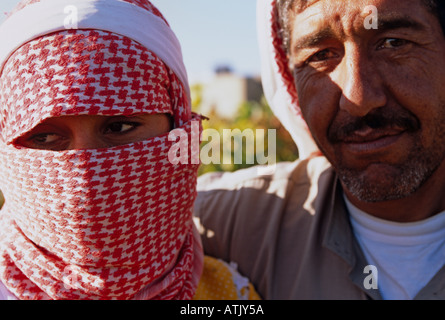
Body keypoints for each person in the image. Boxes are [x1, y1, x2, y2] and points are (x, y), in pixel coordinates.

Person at [0, 0, 259, 300]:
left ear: (180, 131)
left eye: (119, 128)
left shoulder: (229, 295)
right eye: (44, 137)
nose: (85, 177)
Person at [194, 0, 445, 300]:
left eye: (393, 43)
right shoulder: (221, 227)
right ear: (291, 78)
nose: (357, 98)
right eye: (321, 55)